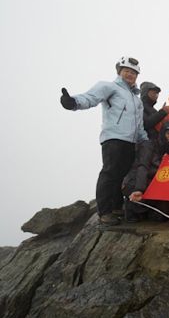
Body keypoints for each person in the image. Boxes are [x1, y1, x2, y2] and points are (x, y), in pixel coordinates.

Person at [59, 56, 148, 226]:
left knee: (122, 175)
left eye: (134, 73)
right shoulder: (109, 87)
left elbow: (140, 124)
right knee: (110, 173)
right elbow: (90, 97)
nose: (130, 75)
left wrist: (144, 140)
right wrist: (73, 102)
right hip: (113, 138)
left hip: (131, 142)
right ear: (119, 72)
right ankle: (105, 212)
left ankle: (116, 207)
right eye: (127, 71)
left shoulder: (137, 100)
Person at [123, 121, 169, 222]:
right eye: (168, 133)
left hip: (156, 183)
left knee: (160, 217)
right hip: (136, 181)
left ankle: (149, 209)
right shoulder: (149, 145)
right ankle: (131, 207)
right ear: (163, 133)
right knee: (136, 214)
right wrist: (139, 189)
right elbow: (142, 167)